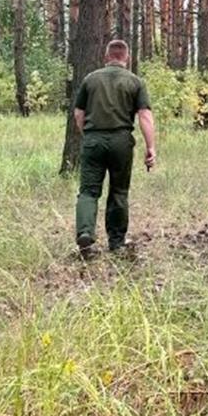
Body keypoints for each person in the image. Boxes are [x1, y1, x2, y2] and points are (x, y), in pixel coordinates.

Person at [72, 39, 156, 255]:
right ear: (126, 58)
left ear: (106, 56)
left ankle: (85, 235)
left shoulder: (90, 79)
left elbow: (78, 113)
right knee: (119, 191)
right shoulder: (135, 82)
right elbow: (145, 116)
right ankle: (117, 243)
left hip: (93, 140)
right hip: (121, 141)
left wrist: (89, 135)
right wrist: (150, 147)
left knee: (89, 191)